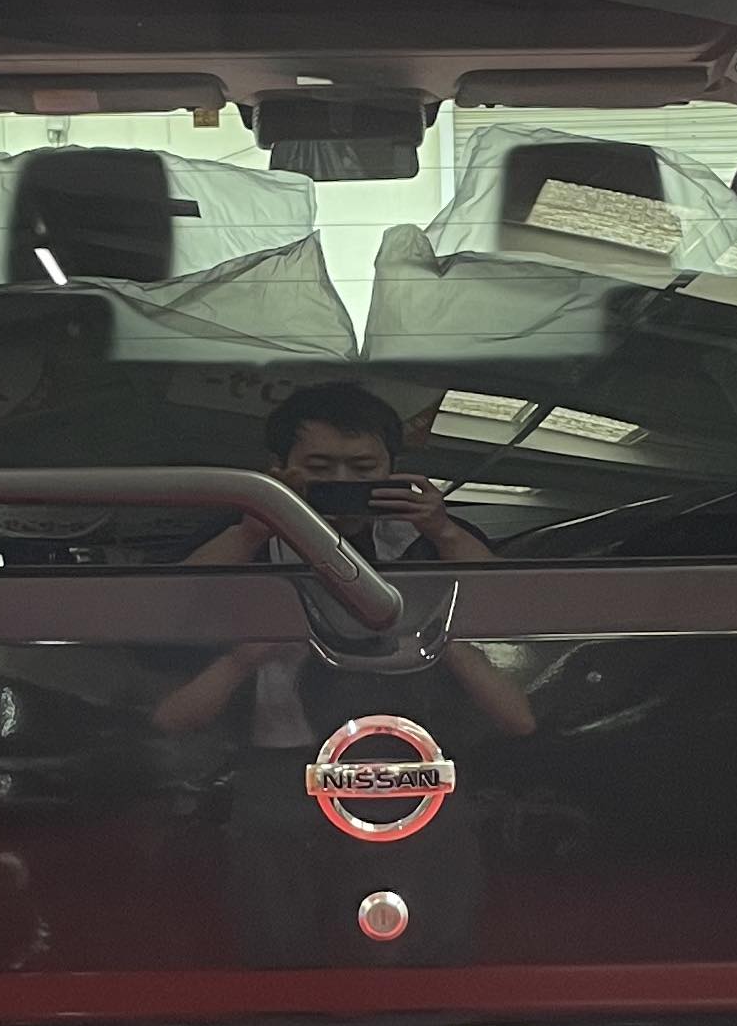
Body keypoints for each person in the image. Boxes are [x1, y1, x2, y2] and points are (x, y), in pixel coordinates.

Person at [154, 383, 531, 963]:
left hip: (419, 759)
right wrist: (257, 523)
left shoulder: (426, 538)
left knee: (432, 924)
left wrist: (443, 529)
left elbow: (512, 604)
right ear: (278, 468)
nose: (342, 482)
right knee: (274, 922)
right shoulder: (242, 535)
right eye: (319, 468)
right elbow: (171, 603)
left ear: (392, 470)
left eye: (363, 468)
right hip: (275, 768)